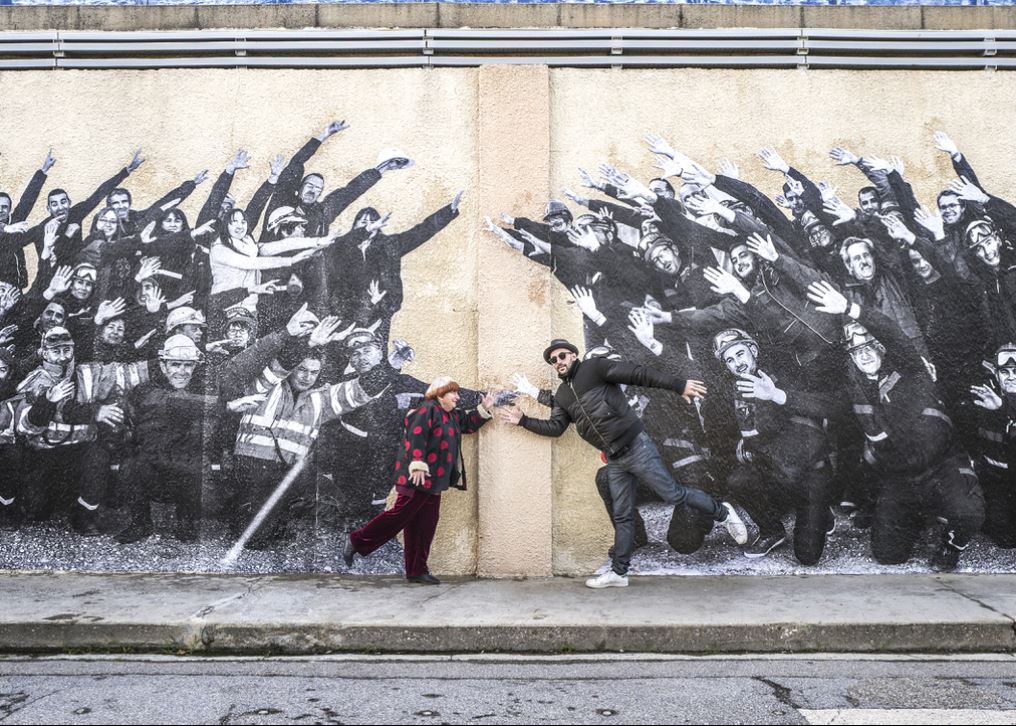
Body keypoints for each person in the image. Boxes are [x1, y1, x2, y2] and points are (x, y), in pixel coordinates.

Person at [500, 338, 747, 589]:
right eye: (553, 360)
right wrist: (523, 421)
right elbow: (555, 428)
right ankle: (619, 573)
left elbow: (638, 374)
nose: (558, 362)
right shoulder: (564, 395)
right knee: (622, 514)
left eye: (562, 356)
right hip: (616, 457)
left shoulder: (594, 368)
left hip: (636, 446)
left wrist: (679, 385)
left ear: (574, 355)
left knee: (672, 493)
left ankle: (723, 512)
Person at [343, 377, 495, 584]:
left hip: (434, 481)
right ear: (440, 393)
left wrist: (484, 409)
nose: (458, 397)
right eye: (454, 393)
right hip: (416, 477)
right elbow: (416, 436)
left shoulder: (450, 415)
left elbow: (468, 425)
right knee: (399, 515)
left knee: (425, 525)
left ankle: (417, 570)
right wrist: (417, 464)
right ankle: (356, 541)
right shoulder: (426, 410)